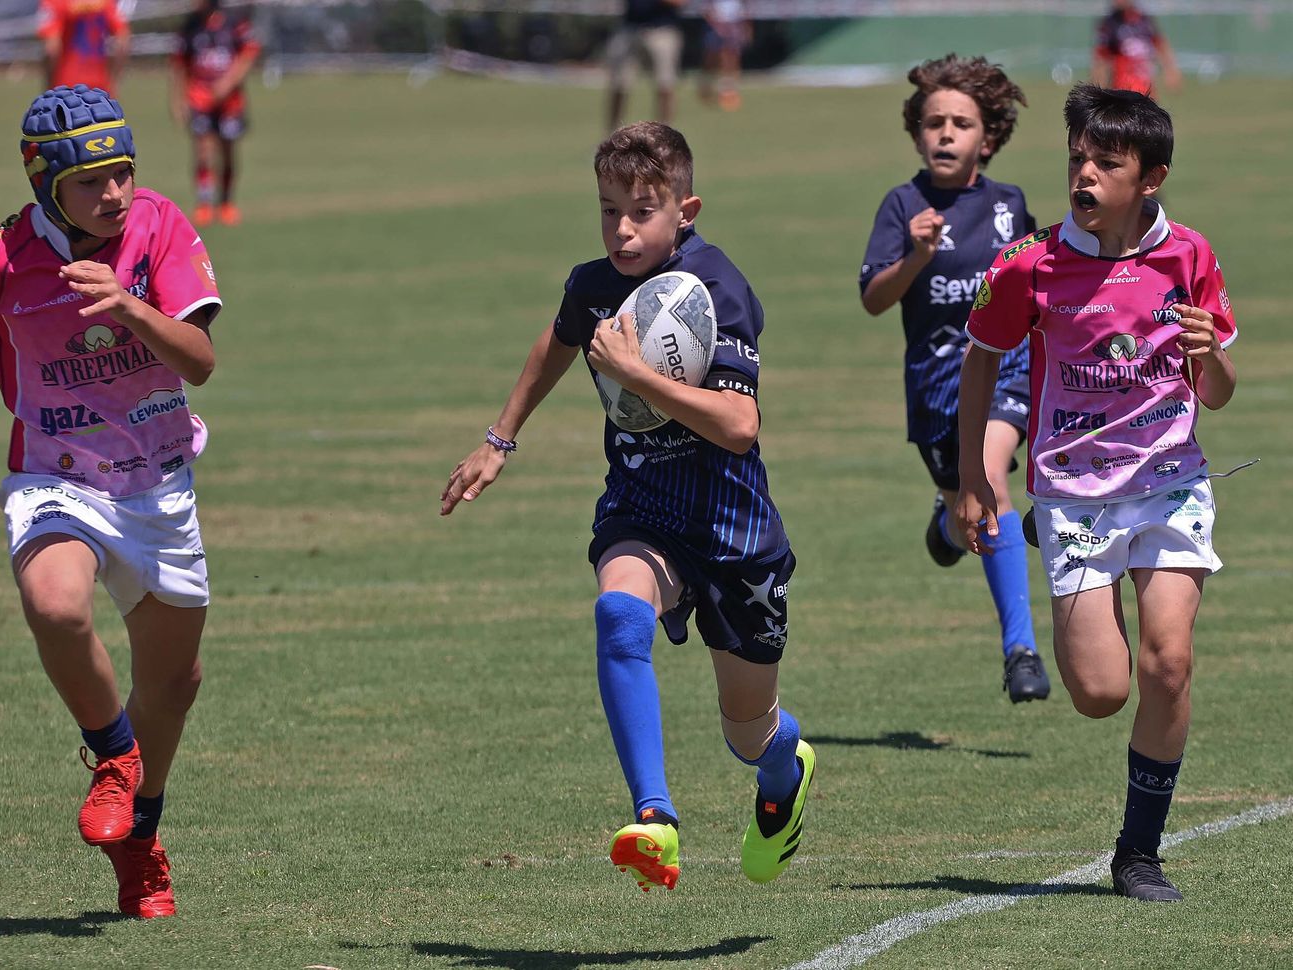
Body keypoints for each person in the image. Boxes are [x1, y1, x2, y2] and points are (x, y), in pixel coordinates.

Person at [441, 122, 814, 892]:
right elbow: (558, 338)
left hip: (733, 530)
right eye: (608, 209)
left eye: (642, 211)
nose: (621, 228)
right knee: (618, 615)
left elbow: (740, 428)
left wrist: (638, 376)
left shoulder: (718, 288)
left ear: (686, 209)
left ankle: (787, 768)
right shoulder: (594, 283)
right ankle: (655, 819)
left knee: (749, 735)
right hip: (643, 505)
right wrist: (498, 439)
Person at [955, 85, 1238, 902]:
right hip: (1074, 496)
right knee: (1101, 694)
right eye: (1076, 158)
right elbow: (981, 356)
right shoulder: (1029, 264)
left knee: (1169, 661)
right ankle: (1061, 551)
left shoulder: (1187, 255)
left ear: (1150, 177)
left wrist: (1207, 352)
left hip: (1169, 482)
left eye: (1105, 164)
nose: (1083, 175)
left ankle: (1139, 855)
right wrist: (978, 478)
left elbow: (1217, 392)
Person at [0, 85, 223, 917]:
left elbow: (201, 361)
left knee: (173, 686)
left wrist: (129, 303)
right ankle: (111, 755)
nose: (113, 194)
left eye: (122, 174)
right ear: (45, 185)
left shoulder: (159, 224)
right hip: (55, 477)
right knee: (57, 606)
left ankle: (141, 842)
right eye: (91, 181)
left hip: (157, 485)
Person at [858, 54, 1050, 704]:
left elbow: (1035, 289)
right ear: (916, 133)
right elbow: (875, 300)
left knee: (992, 482)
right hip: (939, 386)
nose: (945, 133)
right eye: (934, 121)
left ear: (986, 139)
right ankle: (945, 529)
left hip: (1007, 370)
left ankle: (1020, 649)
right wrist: (915, 255)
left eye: (960, 123)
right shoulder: (902, 205)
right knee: (966, 510)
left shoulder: (1007, 206)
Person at [170, 0, 262, 227]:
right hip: (199, 99)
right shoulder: (191, 26)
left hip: (230, 103)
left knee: (228, 152)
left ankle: (227, 202)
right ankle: (204, 203)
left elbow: (248, 54)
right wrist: (178, 100)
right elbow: (180, 65)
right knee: (203, 151)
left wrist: (228, 83)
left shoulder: (233, 23)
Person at [606, 0, 686, 131]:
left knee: (665, 85)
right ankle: (612, 137)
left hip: (662, 30)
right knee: (618, 85)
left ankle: (664, 137)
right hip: (629, 28)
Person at [36, 0, 129, 95]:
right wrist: (114, 80)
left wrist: (49, 83)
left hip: (65, 85)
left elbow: (51, 49)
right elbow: (122, 43)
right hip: (100, 86)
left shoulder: (54, 2)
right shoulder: (104, 3)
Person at [1092, 0, 1181, 99]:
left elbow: (1160, 44)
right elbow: (1101, 58)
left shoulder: (1144, 20)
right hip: (1122, 88)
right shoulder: (1109, 24)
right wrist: (1098, 88)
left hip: (1146, 86)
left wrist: (1170, 70)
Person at [700, 0, 750, 111]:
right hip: (716, 24)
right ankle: (706, 88)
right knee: (712, 60)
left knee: (732, 58)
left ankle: (728, 92)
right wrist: (717, 24)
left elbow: (744, 8)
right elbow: (706, 8)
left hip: (734, 24)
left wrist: (746, 26)